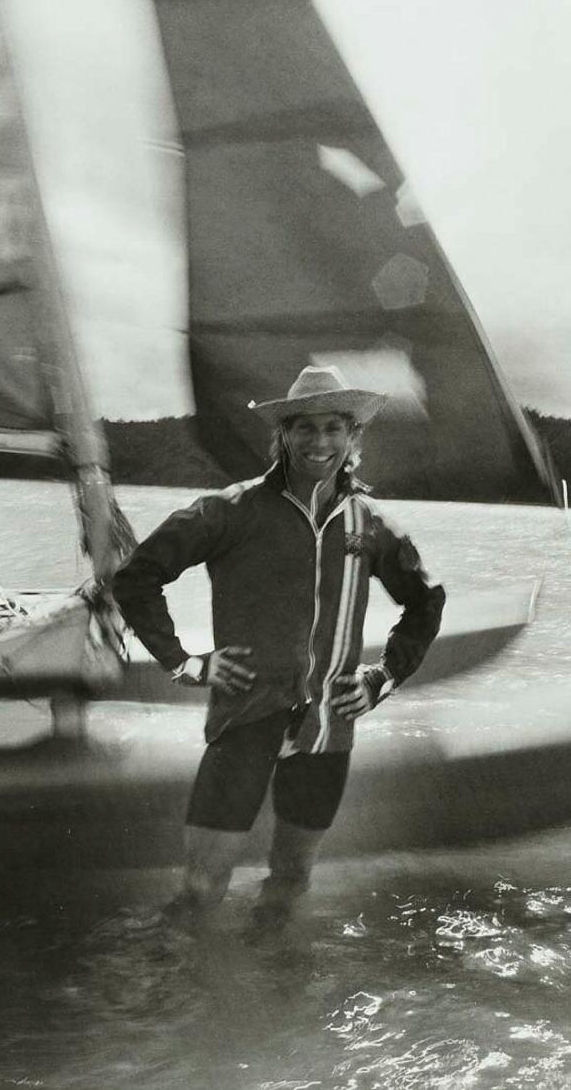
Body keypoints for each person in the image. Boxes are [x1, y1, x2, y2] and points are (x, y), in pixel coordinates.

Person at [112, 364, 446, 929]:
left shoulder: (372, 526)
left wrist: (381, 679)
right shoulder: (229, 511)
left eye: (334, 428)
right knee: (200, 890)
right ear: (283, 434)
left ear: (352, 437)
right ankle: (172, 1002)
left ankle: (276, 994)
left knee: (291, 882)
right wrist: (186, 662)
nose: (320, 442)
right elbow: (136, 577)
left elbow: (425, 603)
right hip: (245, 718)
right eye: (305, 428)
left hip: (327, 729)